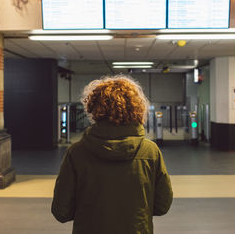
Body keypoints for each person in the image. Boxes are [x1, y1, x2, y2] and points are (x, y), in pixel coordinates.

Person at [51, 75, 173, 234]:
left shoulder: (77, 152)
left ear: (94, 108)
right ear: (136, 108)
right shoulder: (150, 152)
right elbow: (162, 205)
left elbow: (61, 211)